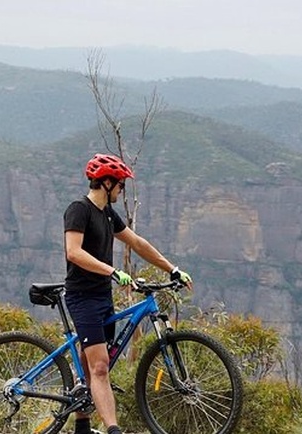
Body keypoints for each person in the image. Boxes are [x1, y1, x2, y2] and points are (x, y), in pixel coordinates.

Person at [64, 153, 192, 434]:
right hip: (82, 297)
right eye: (120, 184)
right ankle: (113, 430)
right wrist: (112, 271)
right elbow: (73, 252)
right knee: (100, 367)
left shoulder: (107, 214)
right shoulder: (79, 209)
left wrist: (172, 269)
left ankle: (82, 427)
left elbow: (136, 242)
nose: (122, 191)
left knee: (91, 362)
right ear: (106, 182)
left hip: (102, 296)